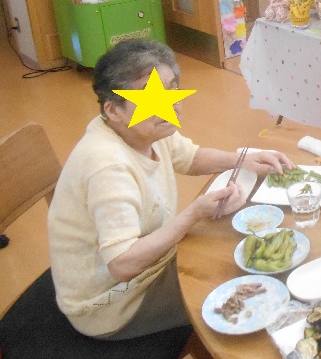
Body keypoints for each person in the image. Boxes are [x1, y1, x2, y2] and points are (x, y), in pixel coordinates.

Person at [47, 39, 295, 339]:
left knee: (245, 257)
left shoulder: (142, 128)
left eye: (171, 88)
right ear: (113, 110)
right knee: (257, 285)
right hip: (116, 305)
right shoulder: (107, 165)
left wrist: (243, 159)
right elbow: (122, 264)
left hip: (154, 264)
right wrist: (193, 214)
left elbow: (190, 157)